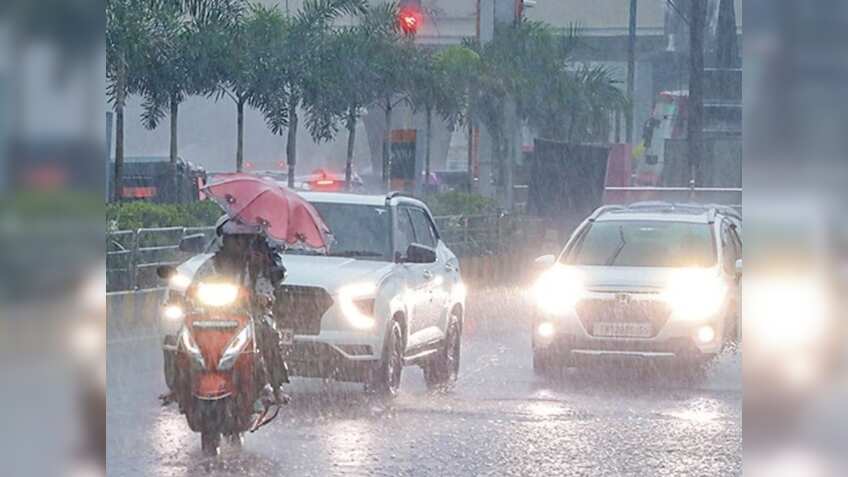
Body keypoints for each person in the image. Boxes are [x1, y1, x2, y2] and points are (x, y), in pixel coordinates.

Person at [213, 217, 289, 404]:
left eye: (243, 238)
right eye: (234, 238)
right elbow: (198, 282)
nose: (238, 243)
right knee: (184, 337)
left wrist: (263, 297)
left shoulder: (257, 265)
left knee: (267, 333)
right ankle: (178, 387)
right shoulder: (213, 264)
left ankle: (274, 385)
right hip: (213, 315)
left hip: (249, 315)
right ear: (225, 240)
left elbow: (266, 285)